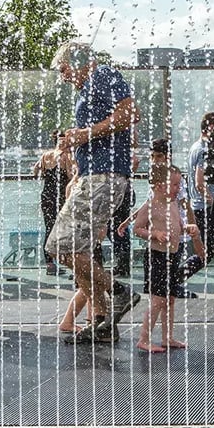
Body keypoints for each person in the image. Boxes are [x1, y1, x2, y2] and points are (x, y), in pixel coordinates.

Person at [44, 41, 140, 344]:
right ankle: (102, 321)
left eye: (64, 69)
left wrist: (84, 134)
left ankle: (119, 291)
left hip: (104, 175)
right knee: (78, 249)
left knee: (59, 245)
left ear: (80, 61)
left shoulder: (103, 75)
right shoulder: (87, 89)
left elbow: (129, 114)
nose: (63, 77)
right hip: (95, 175)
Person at [132, 163, 205, 353]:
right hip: (156, 256)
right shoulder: (150, 206)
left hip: (174, 254)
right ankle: (143, 338)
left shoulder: (172, 204)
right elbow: (137, 229)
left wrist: (186, 228)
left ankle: (167, 337)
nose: (178, 189)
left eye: (179, 185)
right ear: (158, 185)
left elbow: (177, 224)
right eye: (173, 185)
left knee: (170, 299)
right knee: (157, 300)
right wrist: (155, 234)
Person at [33, 129, 76, 275]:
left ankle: (49, 263)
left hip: (46, 195)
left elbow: (35, 171)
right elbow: (71, 176)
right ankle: (69, 262)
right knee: (66, 228)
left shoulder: (46, 155)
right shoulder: (66, 156)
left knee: (49, 227)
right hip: (61, 196)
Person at [188, 112, 214, 273]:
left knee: (207, 250)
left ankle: (174, 280)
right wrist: (213, 201)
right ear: (212, 127)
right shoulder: (204, 150)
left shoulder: (195, 146)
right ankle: (175, 279)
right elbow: (199, 183)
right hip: (205, 207)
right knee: (207, 252)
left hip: (198, 205)